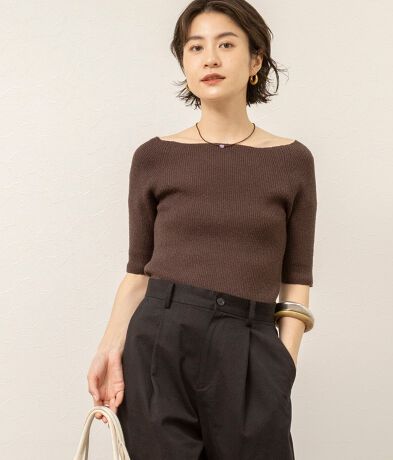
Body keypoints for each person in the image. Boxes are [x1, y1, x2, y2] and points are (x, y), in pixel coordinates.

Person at [87, 1, 317, 459]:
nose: (210, 58)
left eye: (226, 45)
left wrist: (281, 368)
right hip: (159, 342)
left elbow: (296, 279)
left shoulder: (292, 161)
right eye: (196, 47)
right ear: (184, 63)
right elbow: (138, 272)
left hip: (250, 345)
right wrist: (109, 349)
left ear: (255, 61)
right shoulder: (154, 157)